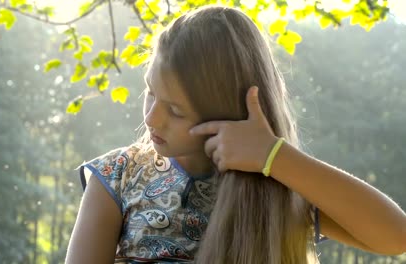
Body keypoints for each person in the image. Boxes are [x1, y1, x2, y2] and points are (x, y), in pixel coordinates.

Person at [65, 5, 406, 264]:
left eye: (176, 110)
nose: (152, 117)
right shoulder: (117, 176)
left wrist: (274, 155)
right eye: (150, 93)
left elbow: (397, 237)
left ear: (225, 112)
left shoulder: (280, 189)